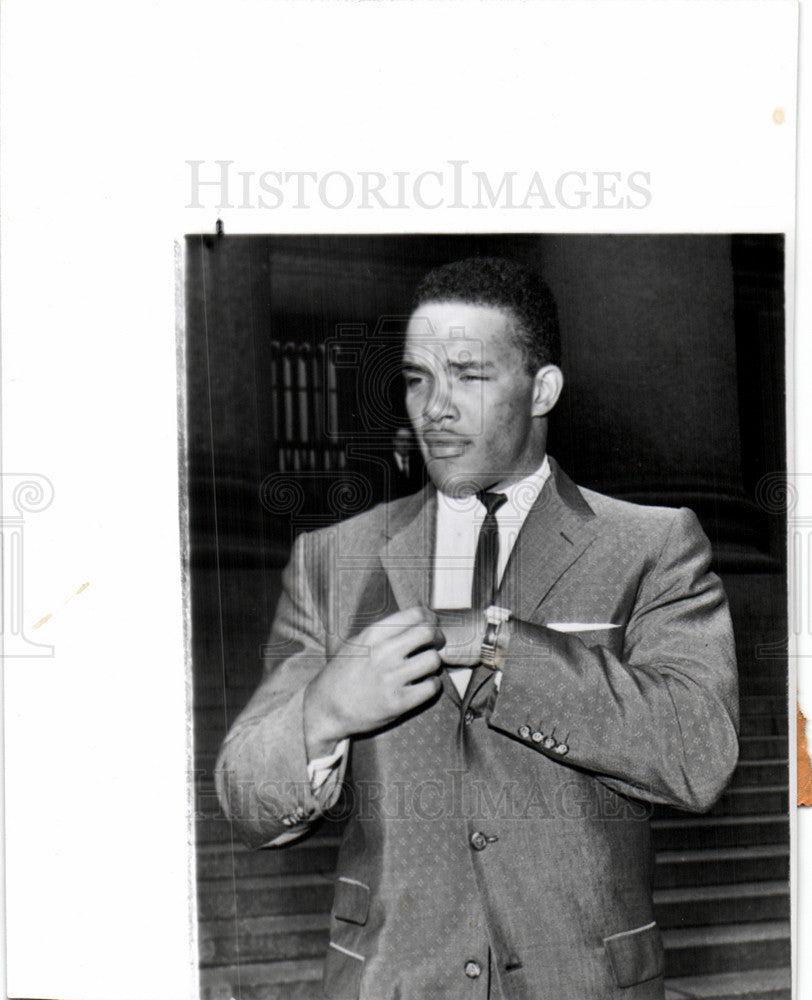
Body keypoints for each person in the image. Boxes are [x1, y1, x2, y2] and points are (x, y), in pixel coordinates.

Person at [215, 257, 739, 1000]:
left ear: (543, 389)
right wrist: (323, 712)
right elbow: (243, 793)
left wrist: (496, 643)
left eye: (469, 374)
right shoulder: (335, 557)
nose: (434, 407)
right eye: (419, 377)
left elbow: (698, 752)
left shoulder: (651, 543)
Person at [387, 425, 424, 499]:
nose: (404, 444)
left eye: (408, 441)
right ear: (394, 441)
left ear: (412, 444)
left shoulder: (419, 465)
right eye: (401, 440)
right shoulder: (385, 465)